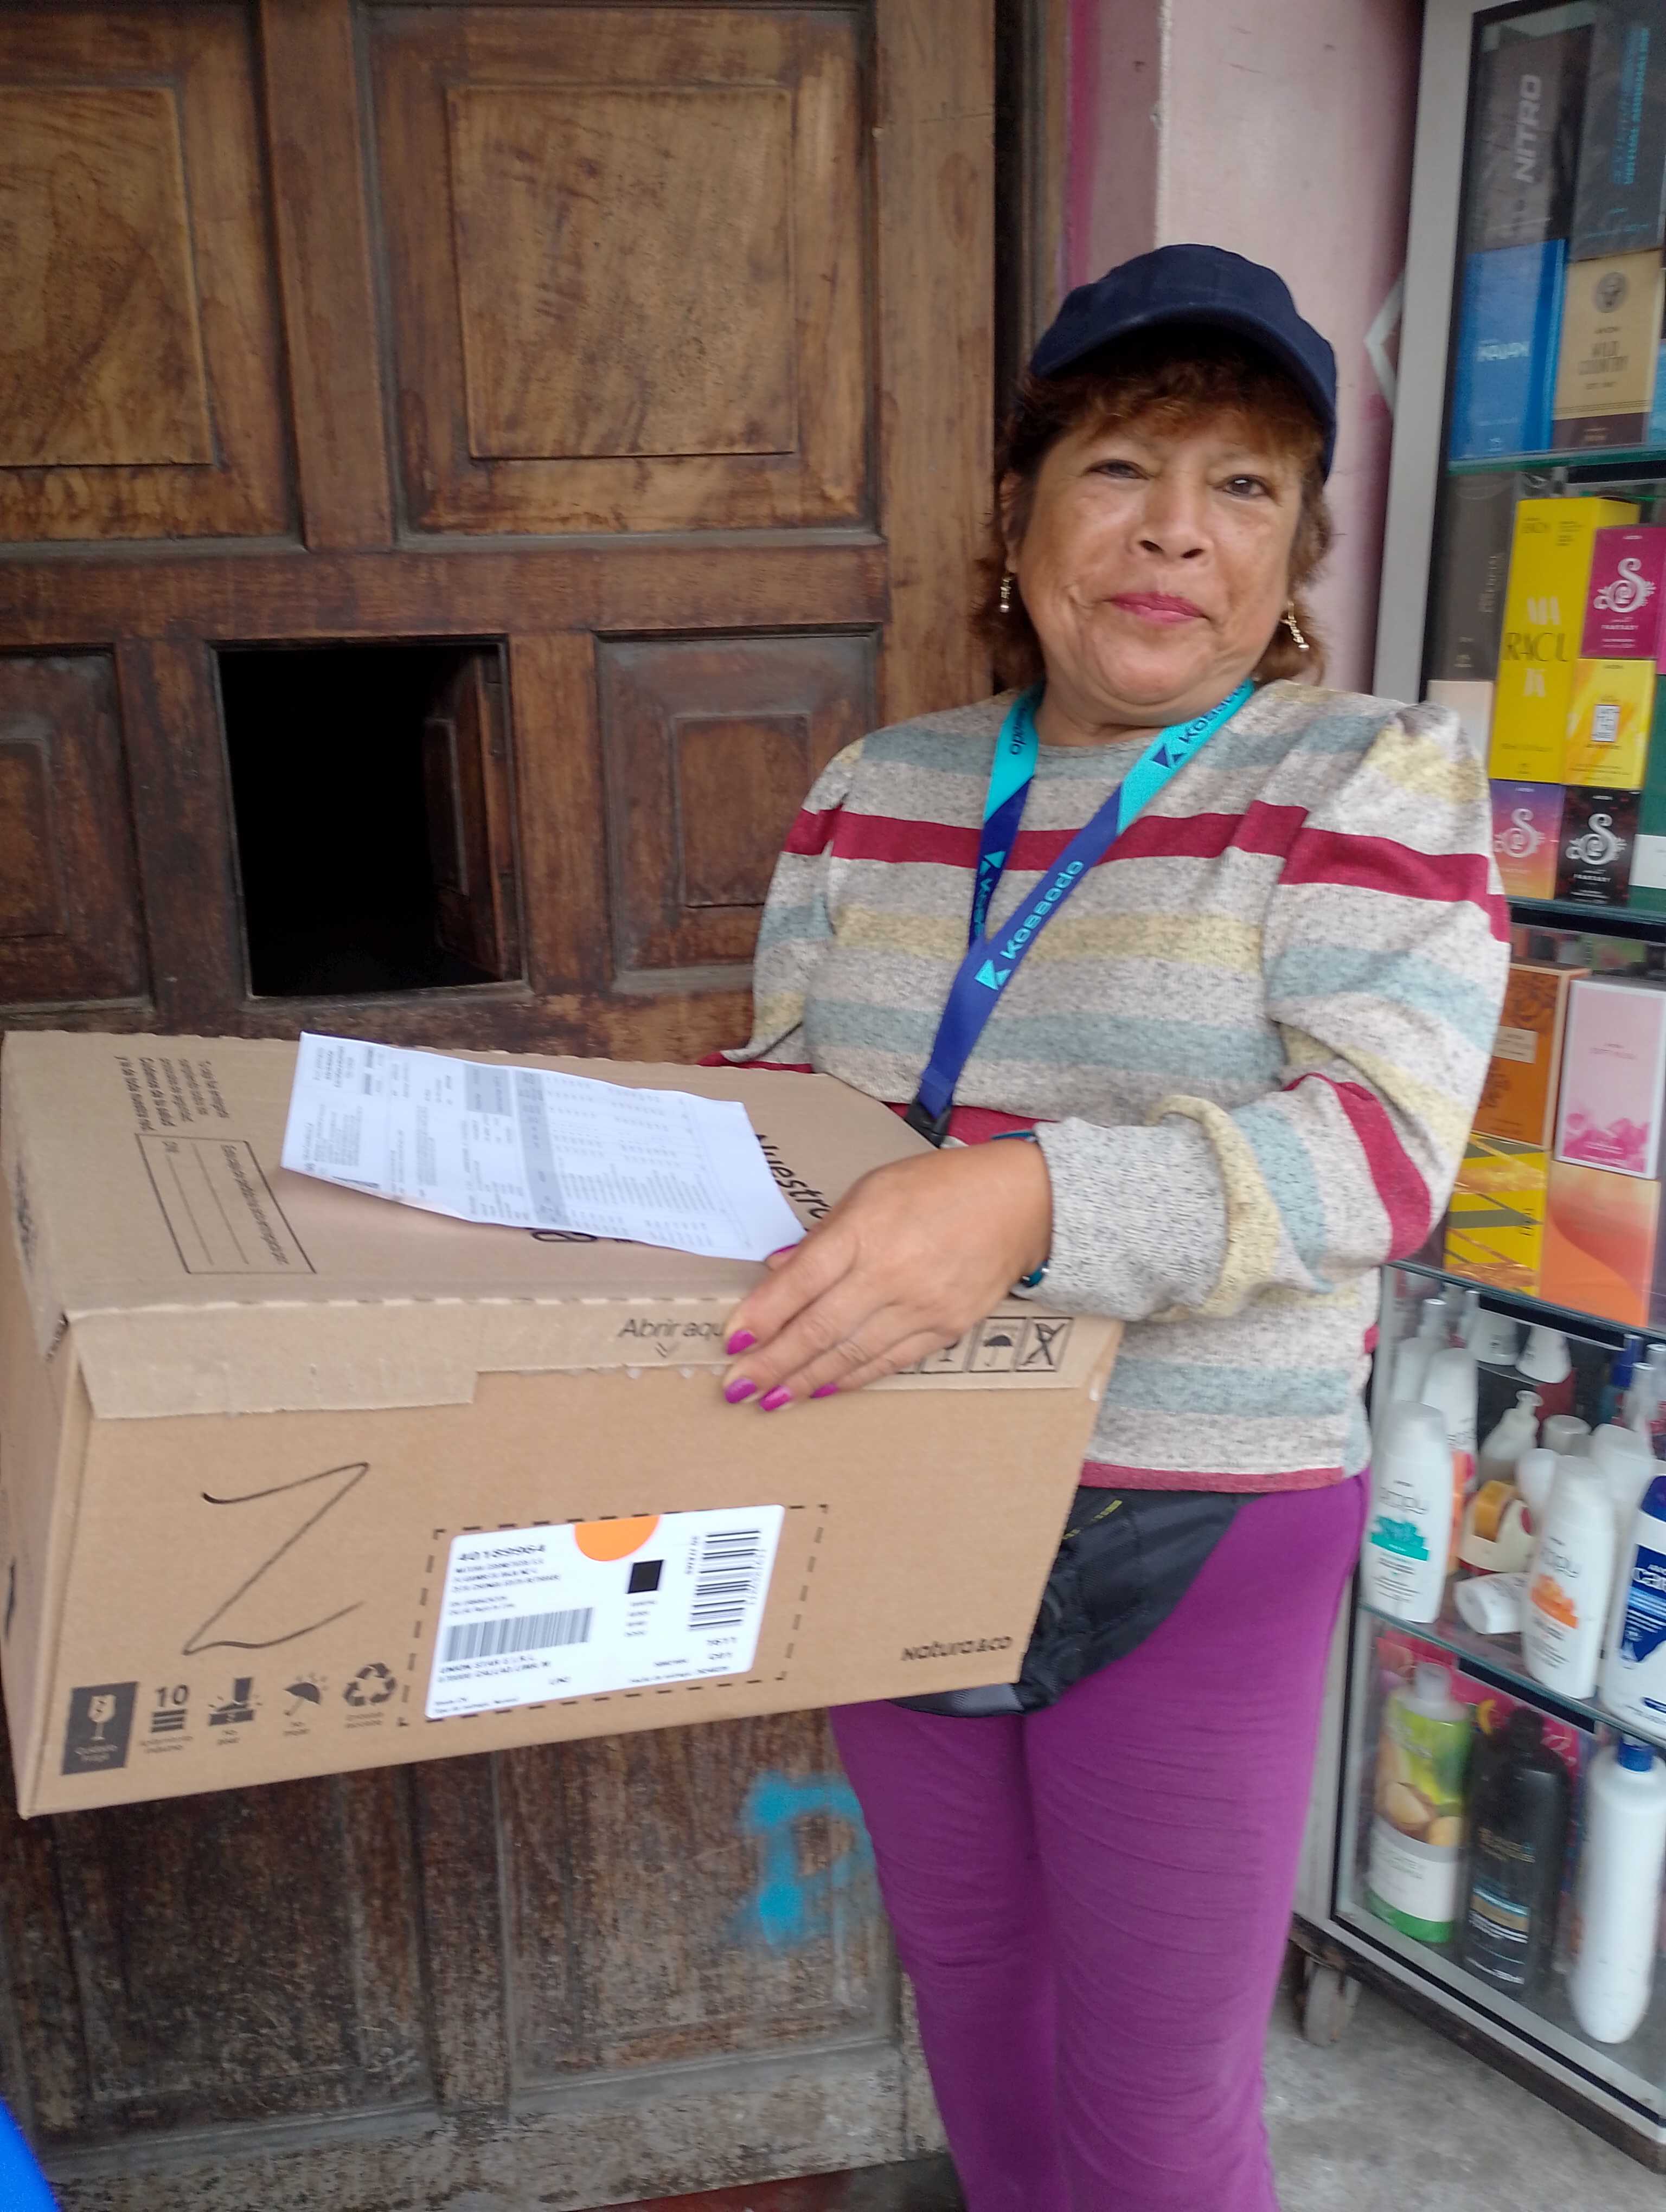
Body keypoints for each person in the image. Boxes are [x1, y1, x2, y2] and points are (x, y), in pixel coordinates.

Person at [716, 246, 1508, 2211]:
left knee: (1155, 2109)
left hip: (1194, 1518)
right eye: (1120, 469)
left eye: (1242, 485)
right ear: (1021, 516)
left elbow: (1378, 1153)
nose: (1174, 534)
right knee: (978, 2010)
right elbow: (787, 1109)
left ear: (1297, 548)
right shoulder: (878, 788)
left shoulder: (1362, 779)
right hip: (895, 1470)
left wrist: (1027, 1197)